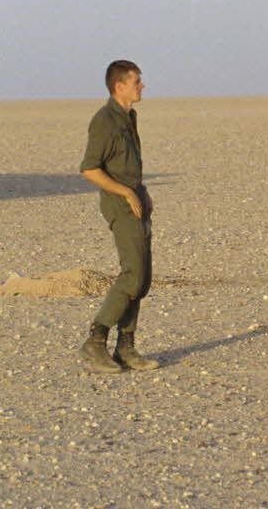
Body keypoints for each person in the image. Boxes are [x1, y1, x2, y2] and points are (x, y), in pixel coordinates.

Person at [77, 60, 160, 373]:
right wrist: (125, 192)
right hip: (119, 205)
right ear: (119, 85)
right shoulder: (104, 121)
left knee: (143, 278)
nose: (142, 86)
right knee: (132, 274)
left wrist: (141, 189)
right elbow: (90, 169)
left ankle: (126, 347)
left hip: (136, 201)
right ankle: (95, 341)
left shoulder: (128, 117)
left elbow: (127, 164)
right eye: (137, 81)